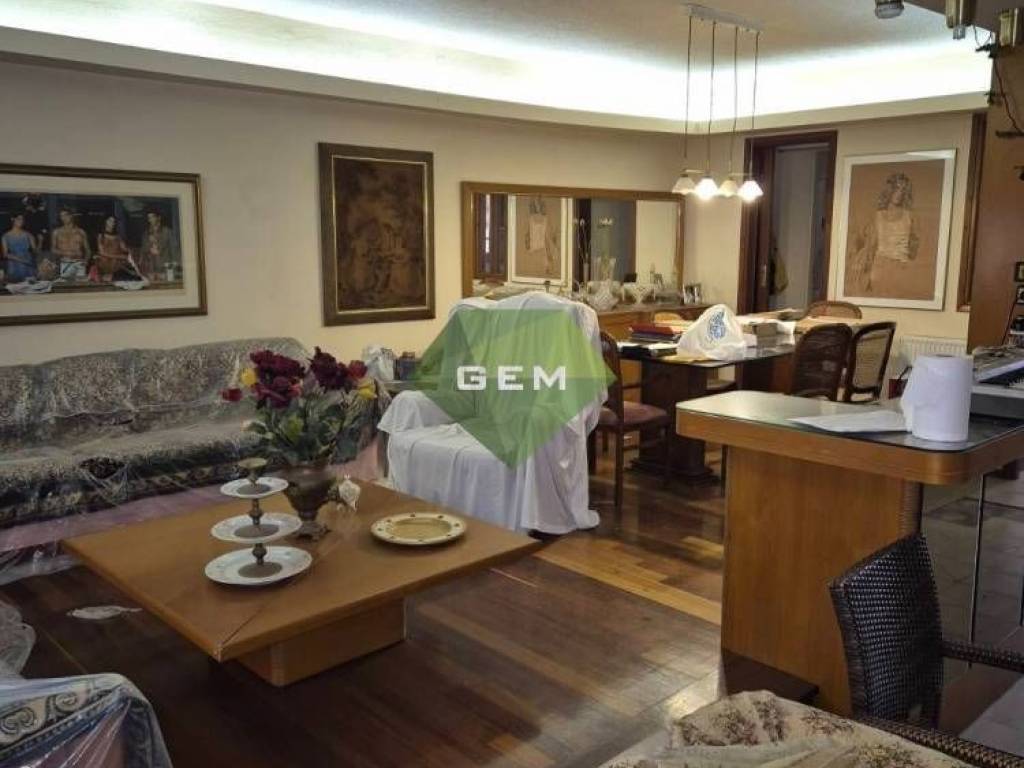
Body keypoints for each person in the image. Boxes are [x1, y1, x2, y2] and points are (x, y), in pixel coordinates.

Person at [849, 172, 919, 292]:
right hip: (880, 268)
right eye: (896, 188)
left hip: (901, 269)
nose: (899, 193)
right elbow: (871, 246)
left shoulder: (910, 217)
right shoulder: (877, 216)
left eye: (903, 190)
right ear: (889, 190)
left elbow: (914, 250)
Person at [51, 208, 91, 280]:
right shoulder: (57, 232)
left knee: (80, 285)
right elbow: (53, 249)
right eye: (61, 216)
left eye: (66, 215)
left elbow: (88, 250)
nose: (64, 218)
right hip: (65, 262)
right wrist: (65, 253)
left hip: (79, 262)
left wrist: (86, 261)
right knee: (65, 284)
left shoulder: (81, 232)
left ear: (71, 216)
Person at [138, 210, 178, 281]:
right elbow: (143, 250)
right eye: (149, 218)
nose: (150, 220)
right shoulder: (146, 234)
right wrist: (149, 247)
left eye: (152, 217)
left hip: (164, 267)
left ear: (159, 218)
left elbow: (174, 249)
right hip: (151, 268)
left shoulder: (167, 232)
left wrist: (174, 266)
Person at [95, 216, 135, 281]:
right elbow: (102, 252)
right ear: (106, 222)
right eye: (110, 221)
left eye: (114, 222)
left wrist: (131, 250)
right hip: (106, 261)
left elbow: (124, 248)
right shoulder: (101, 236)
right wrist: (118, 256)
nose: (112, 223)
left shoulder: (118, 237)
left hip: (116, 262)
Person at [1, 214, 37, 283]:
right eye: (18, 219)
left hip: (28, 262)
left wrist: (39, 242)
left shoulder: (28, 235)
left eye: (22, 219)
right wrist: (21, 260)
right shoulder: (5, 236)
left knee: (30, 283)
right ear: (13, 219)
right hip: (14, 264)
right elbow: (5, 254)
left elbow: (34, 251)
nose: (21, 221)